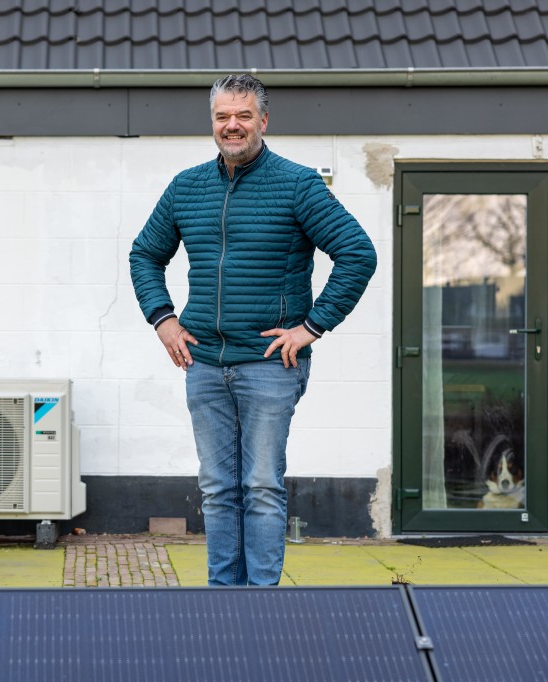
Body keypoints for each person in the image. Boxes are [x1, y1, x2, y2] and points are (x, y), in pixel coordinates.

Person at [128, 74, 377, 586]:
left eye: (243, 115)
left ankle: (262, 602)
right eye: (223, 116)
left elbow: (357, 254)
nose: (232, 125)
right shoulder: (186, 187)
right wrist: (163, 319)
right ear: (213, 122)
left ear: (264, 120)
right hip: (203, 365)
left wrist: (311, 327)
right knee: (218, 488)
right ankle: (225, 597)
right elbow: (145, 254)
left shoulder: (297, 183)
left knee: (261, 486)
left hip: (270, 366)